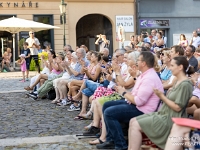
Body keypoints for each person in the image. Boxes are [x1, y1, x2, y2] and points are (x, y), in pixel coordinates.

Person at [96, 51, 164, 150]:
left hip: (144, 110)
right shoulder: (144, 74)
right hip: (137, 105)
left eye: (139, 60)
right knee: (107, 105)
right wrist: (124, 92)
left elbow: (139, 101)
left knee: (109, 113)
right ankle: (111, 140)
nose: (137, 62)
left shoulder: (149, 78)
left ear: (144, 63)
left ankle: (121, 145)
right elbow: (135, 94)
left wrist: (123, 93)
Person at [128, 56, 194, 150]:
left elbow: (177, 107)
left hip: (171, 118)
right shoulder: (178, 82)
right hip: (164, 113)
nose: (170, 68)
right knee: (132, 121)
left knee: (135, 124)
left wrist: (161, 96)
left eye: (172, 65)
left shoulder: (185, 84)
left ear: (180, 67)